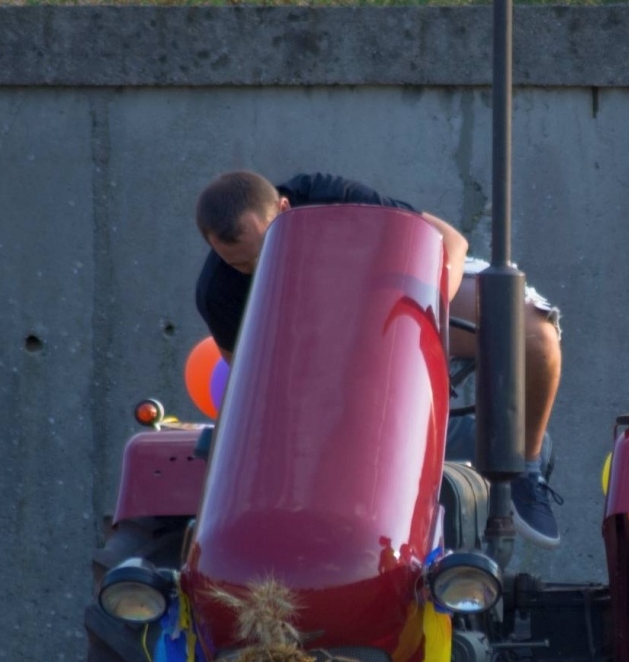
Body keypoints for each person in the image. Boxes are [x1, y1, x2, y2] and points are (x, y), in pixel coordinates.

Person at [193, 170, 565, 548]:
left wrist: (425, 315)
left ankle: (526, 462)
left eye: (263, 254)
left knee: (533, 337)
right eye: (240, 266)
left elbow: (449, 241)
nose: (256, 271)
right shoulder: (218, 294)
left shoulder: (329, 197)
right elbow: (255, 385)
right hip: (318, 368)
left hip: (395, 299)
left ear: (286, 210)